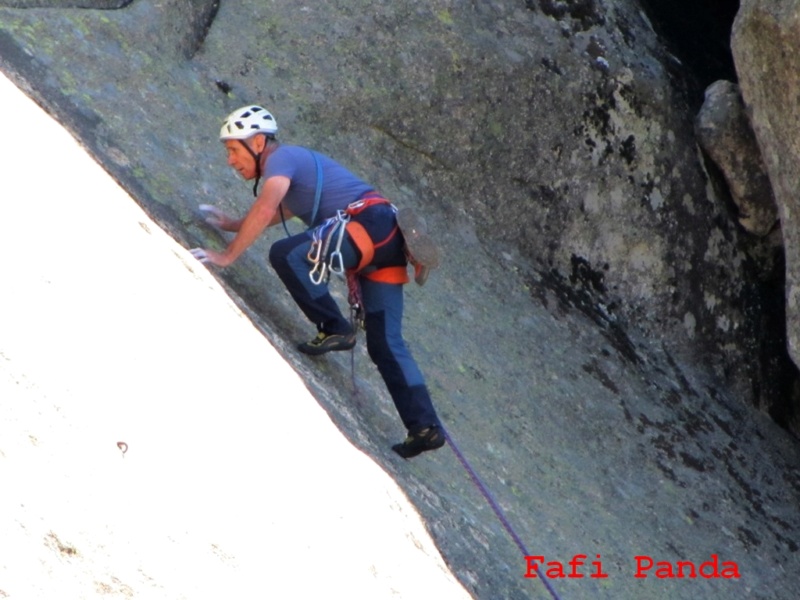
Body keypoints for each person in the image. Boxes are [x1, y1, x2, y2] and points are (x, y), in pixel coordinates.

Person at [190, 105, 445, 458]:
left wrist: (226, 255)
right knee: (386, 343)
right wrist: (233, 224)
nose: (231, 161)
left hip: (368, 226)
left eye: (234, 150)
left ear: (260, 142)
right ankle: (425, 427)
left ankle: (334, 326)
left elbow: (266, 209)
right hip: (387, 240)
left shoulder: (282, 160)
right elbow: (280, 212)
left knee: (288, 254)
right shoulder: (298, 174)